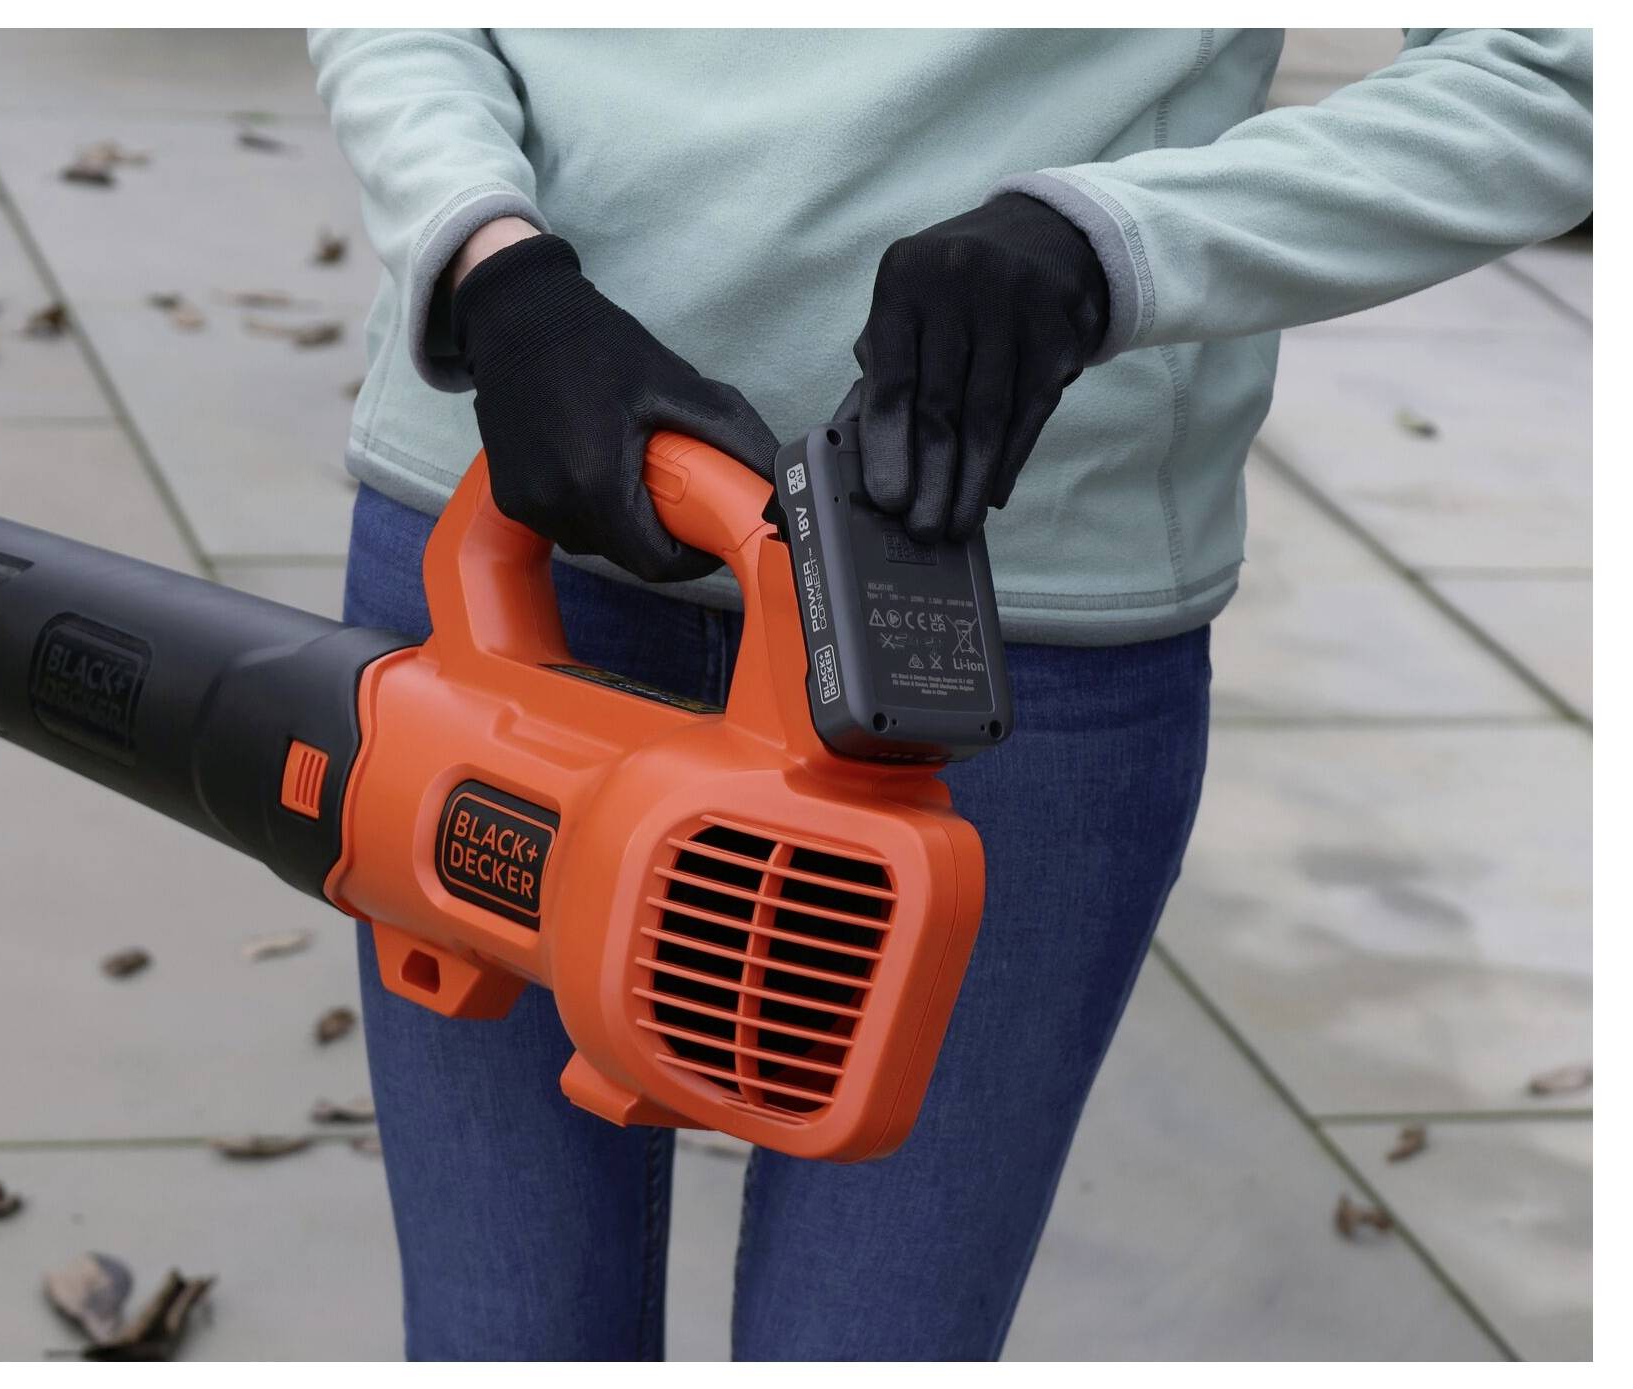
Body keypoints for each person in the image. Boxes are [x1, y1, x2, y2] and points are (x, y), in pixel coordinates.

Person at [306, 28, 1592, 1360]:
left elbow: (1561, 71)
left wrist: (1107, 246)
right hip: (509, 523)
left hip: (990, 623)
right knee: (497, 1341)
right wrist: (491, 262)